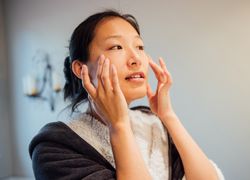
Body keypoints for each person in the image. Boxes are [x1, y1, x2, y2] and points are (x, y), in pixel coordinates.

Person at [29, 10, 225, 180]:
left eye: (139, 47)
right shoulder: (54, 146)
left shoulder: (154, 122)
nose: (136, 60)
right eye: (116, 47)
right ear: (81, 69)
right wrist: (119, 126)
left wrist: (168, 116)